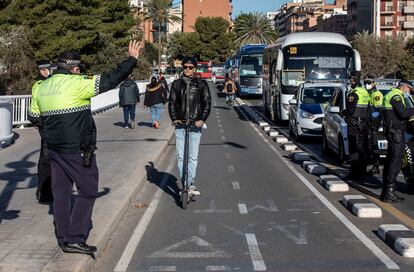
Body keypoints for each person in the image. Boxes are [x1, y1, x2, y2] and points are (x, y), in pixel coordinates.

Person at [30, 41, 142, 254]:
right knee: (89, 190)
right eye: (78, 68)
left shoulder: (41, 87)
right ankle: (75, 237)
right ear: (74, 68)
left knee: (61, 193)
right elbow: (111, 79)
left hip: (53, 149)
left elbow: (34, 118)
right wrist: (131, 60)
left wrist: (51, 132)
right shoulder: (78, 83)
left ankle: (63, 238)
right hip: (77, 150)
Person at [168, 57, 211, 196]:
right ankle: (185, 183)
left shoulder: (201, 84)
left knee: (192, 157)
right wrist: (174, 119)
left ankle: (190, 183)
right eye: (185, 67)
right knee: (181, 157)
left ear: (195, 69)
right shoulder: (176, 84)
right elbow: (172, 103)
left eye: (190, 67)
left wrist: (201, 119)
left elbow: (207, 103)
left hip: (195, 125)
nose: (187, 69)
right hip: (180, 125)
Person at [381, 79, 414, 202]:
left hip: (394, 131)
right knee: (396, 161)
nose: (409, 93)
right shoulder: (395, 95)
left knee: (391, 160)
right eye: (409, 90)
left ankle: (387, 191)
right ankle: (389, 193)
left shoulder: (394, 94)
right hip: (395, 132)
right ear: (404, 87)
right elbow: (403, 113)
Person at [29, 60, 54, 203]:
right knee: (46, 158)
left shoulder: (50, 82)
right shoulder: (38, 85)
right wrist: (39, 123)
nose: (45, 72)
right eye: (42, 70)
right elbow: (35, 107)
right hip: (46, 125)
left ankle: (46, 190)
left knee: (47, 156)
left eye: (47, 69)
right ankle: (45, 192)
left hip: (50, 125)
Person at [343, 71, 370, 180]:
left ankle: (353, 174)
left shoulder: (353, 93)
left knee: (353, 149)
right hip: (363, 124)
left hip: (354, 124)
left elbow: (350, 110)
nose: (350, 80)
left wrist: (343, 112)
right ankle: (362, 173)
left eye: (351, 78)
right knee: (362, 149)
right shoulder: (364, 91)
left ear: (353, 79)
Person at [365, 75, 384, 176]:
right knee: (369, 146)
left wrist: (373, 120)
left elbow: (379, 110)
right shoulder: (369, 94)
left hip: (374, 125)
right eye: (365, 83)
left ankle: (376, 167)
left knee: (374, 145)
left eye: (368, 83)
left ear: (373, 83)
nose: (366, 85)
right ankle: (372, 165)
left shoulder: (376, 94)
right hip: (368, 124)